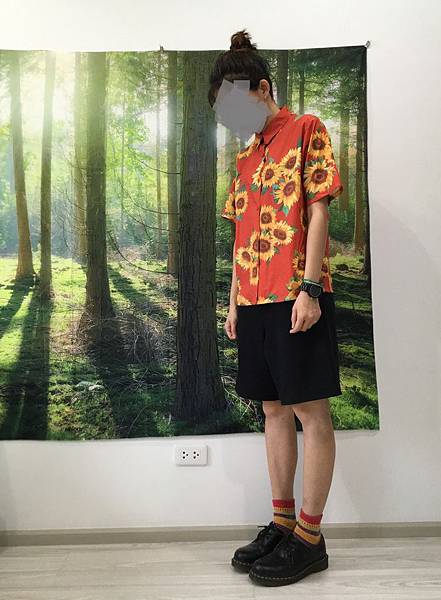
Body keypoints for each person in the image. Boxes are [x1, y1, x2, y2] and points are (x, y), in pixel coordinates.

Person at [208, 29, 344, 587]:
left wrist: (310, 288)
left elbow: (318, 212)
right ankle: (283, 523)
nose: (231, 121)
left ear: (263, 89)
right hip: (254, 300)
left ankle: (310, 538)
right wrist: (234, 302)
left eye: (234, 106)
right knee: (272, 409)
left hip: (297, 295)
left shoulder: (307, 129)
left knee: (310, 410)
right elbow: (240, 234)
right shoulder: (244, 159)